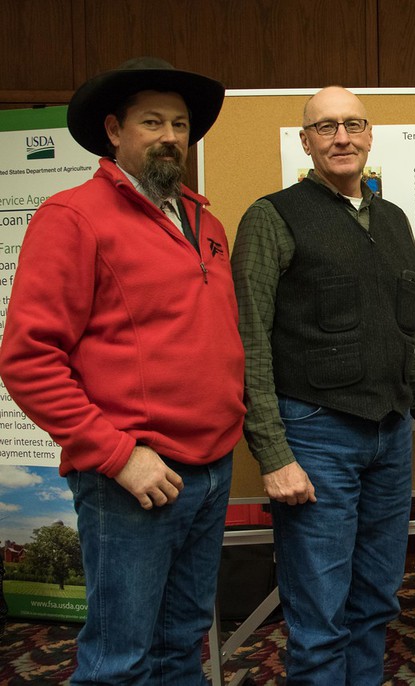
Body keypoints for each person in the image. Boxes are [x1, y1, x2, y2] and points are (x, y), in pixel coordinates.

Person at [0, 57, 245, 684]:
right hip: (132, 478)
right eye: (152, 121)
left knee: (182, 643)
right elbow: (29, 360)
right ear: (114, 130)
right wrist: (115, 453)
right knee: (120, 659)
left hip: (211, 470)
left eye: (181, 124)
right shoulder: (72, 217)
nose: (170, 135)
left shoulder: (206, 222)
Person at [231, 85, 415, 685]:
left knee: (376, 600)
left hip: (389, 437)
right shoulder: (270, 217)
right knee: (320, 615)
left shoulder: (394, 219)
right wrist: (273, 454)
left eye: (352, 125)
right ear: (306, 142)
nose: (341, 138)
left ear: (370, 134)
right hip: (314, 436)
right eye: (326, 128)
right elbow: (248, 341)